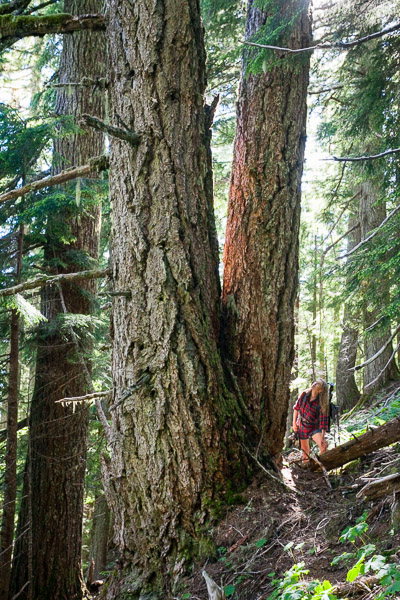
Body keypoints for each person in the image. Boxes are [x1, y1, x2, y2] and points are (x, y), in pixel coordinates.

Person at [293, 379, 330, 463]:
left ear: (321, 390)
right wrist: (294, 423)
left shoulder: (322, 403)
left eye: (318, 384)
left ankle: (320, 466)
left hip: (314, 427)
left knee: (323, 447)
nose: (314, 384)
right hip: (302, 425)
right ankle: (306, 470)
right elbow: (296, 408)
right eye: (315, 382)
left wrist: (322, 437)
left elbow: (323, 422)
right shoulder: (305, 394)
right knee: (305, 453)